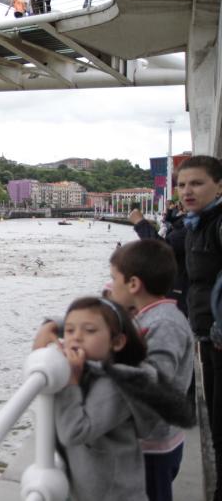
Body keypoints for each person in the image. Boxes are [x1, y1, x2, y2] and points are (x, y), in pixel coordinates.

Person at [35, 297, 190, 501]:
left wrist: (70, 384)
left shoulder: (115, 385)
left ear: (116, 342)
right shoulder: (90, 373)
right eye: (70, 331)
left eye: (89, 331)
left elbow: (74, 432)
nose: (76, 338)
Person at [108, 240, 194, 501]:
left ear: (133, 284)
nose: (110, 287)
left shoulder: (164, 325)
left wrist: (101, 370)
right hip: (151, 442)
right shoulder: (150, 314)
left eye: (113, 280)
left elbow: (154, 386)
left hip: (154, 447)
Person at [176, 155, 222, 501]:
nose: (187, 191)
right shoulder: (197, 223)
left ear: (218, 185)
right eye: (181, 184)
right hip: (207, 336)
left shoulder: (216, 223)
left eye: (197, 183)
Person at [128, 205, 188, 315]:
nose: (186, 191)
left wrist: (140, 223)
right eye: (182, 186)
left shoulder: (194, 226)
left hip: (184, 296)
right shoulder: (189, 222)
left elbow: (163, 250)